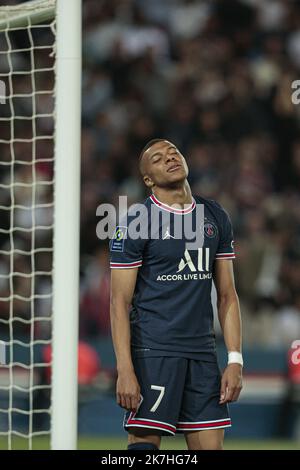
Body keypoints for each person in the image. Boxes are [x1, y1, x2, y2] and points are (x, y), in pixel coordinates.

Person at [109, 139, 243, 450]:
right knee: (144, 447)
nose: (170, 158)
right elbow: (119, 302)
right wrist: (124, 369)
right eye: (158, 159)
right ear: (148, 179)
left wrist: (235, 359)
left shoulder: (215, 215)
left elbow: (227, 295)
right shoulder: (134, 222)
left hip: (202, 353)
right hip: (153, 351)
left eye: (174, 153)